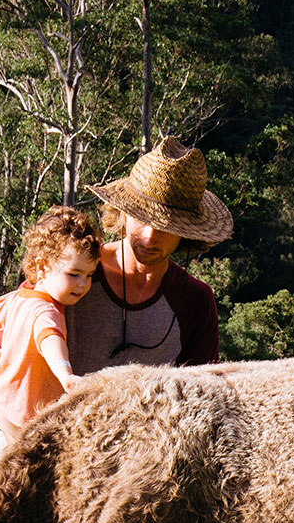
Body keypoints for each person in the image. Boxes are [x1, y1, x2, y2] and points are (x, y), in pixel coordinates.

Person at [64, 135, 233, 375]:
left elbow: (204, 386)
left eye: (166, 228)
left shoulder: (195, 301)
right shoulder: (72, 269)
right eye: (141, 219)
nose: (150, 237)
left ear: (186, 233)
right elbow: (19, 323)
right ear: (123, 213)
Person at [0, 206, 100, 457]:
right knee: (25, 459)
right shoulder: (45, 311)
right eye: (74, 274)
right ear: (42, 268)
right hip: (19, 409)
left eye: (89, 275)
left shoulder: (19, 297)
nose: (82, 284)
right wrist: (66, 375)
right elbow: (49, 338)